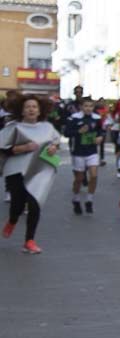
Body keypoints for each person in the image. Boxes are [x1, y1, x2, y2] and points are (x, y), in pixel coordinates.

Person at [0, 95, 61, 254]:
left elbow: (55, 142)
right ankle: (12, 220)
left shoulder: (47, 127)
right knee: (18, 204)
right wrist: (21, 148)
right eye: (28, 107)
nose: (31, 109)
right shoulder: (14, 127)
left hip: (39, 170)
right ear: (22, 110)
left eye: (34, 107)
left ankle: (29, 241)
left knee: (35, 203)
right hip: (16, 170)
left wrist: (54, 148)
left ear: (40, 110)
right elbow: (3, 148)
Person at [63, 96, 103, 214]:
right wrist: (78, 132)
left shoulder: (97, 118)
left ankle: (89, 200)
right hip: (78, 152)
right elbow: (66, 133)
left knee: (94, 175)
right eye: (86, 106)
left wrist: (100, 137)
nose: (88, 108)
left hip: (92, 151)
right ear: (81, 107)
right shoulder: (74, 118)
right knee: (79, 179)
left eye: (91, 106)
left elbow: (101, 130)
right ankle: (76, 199)